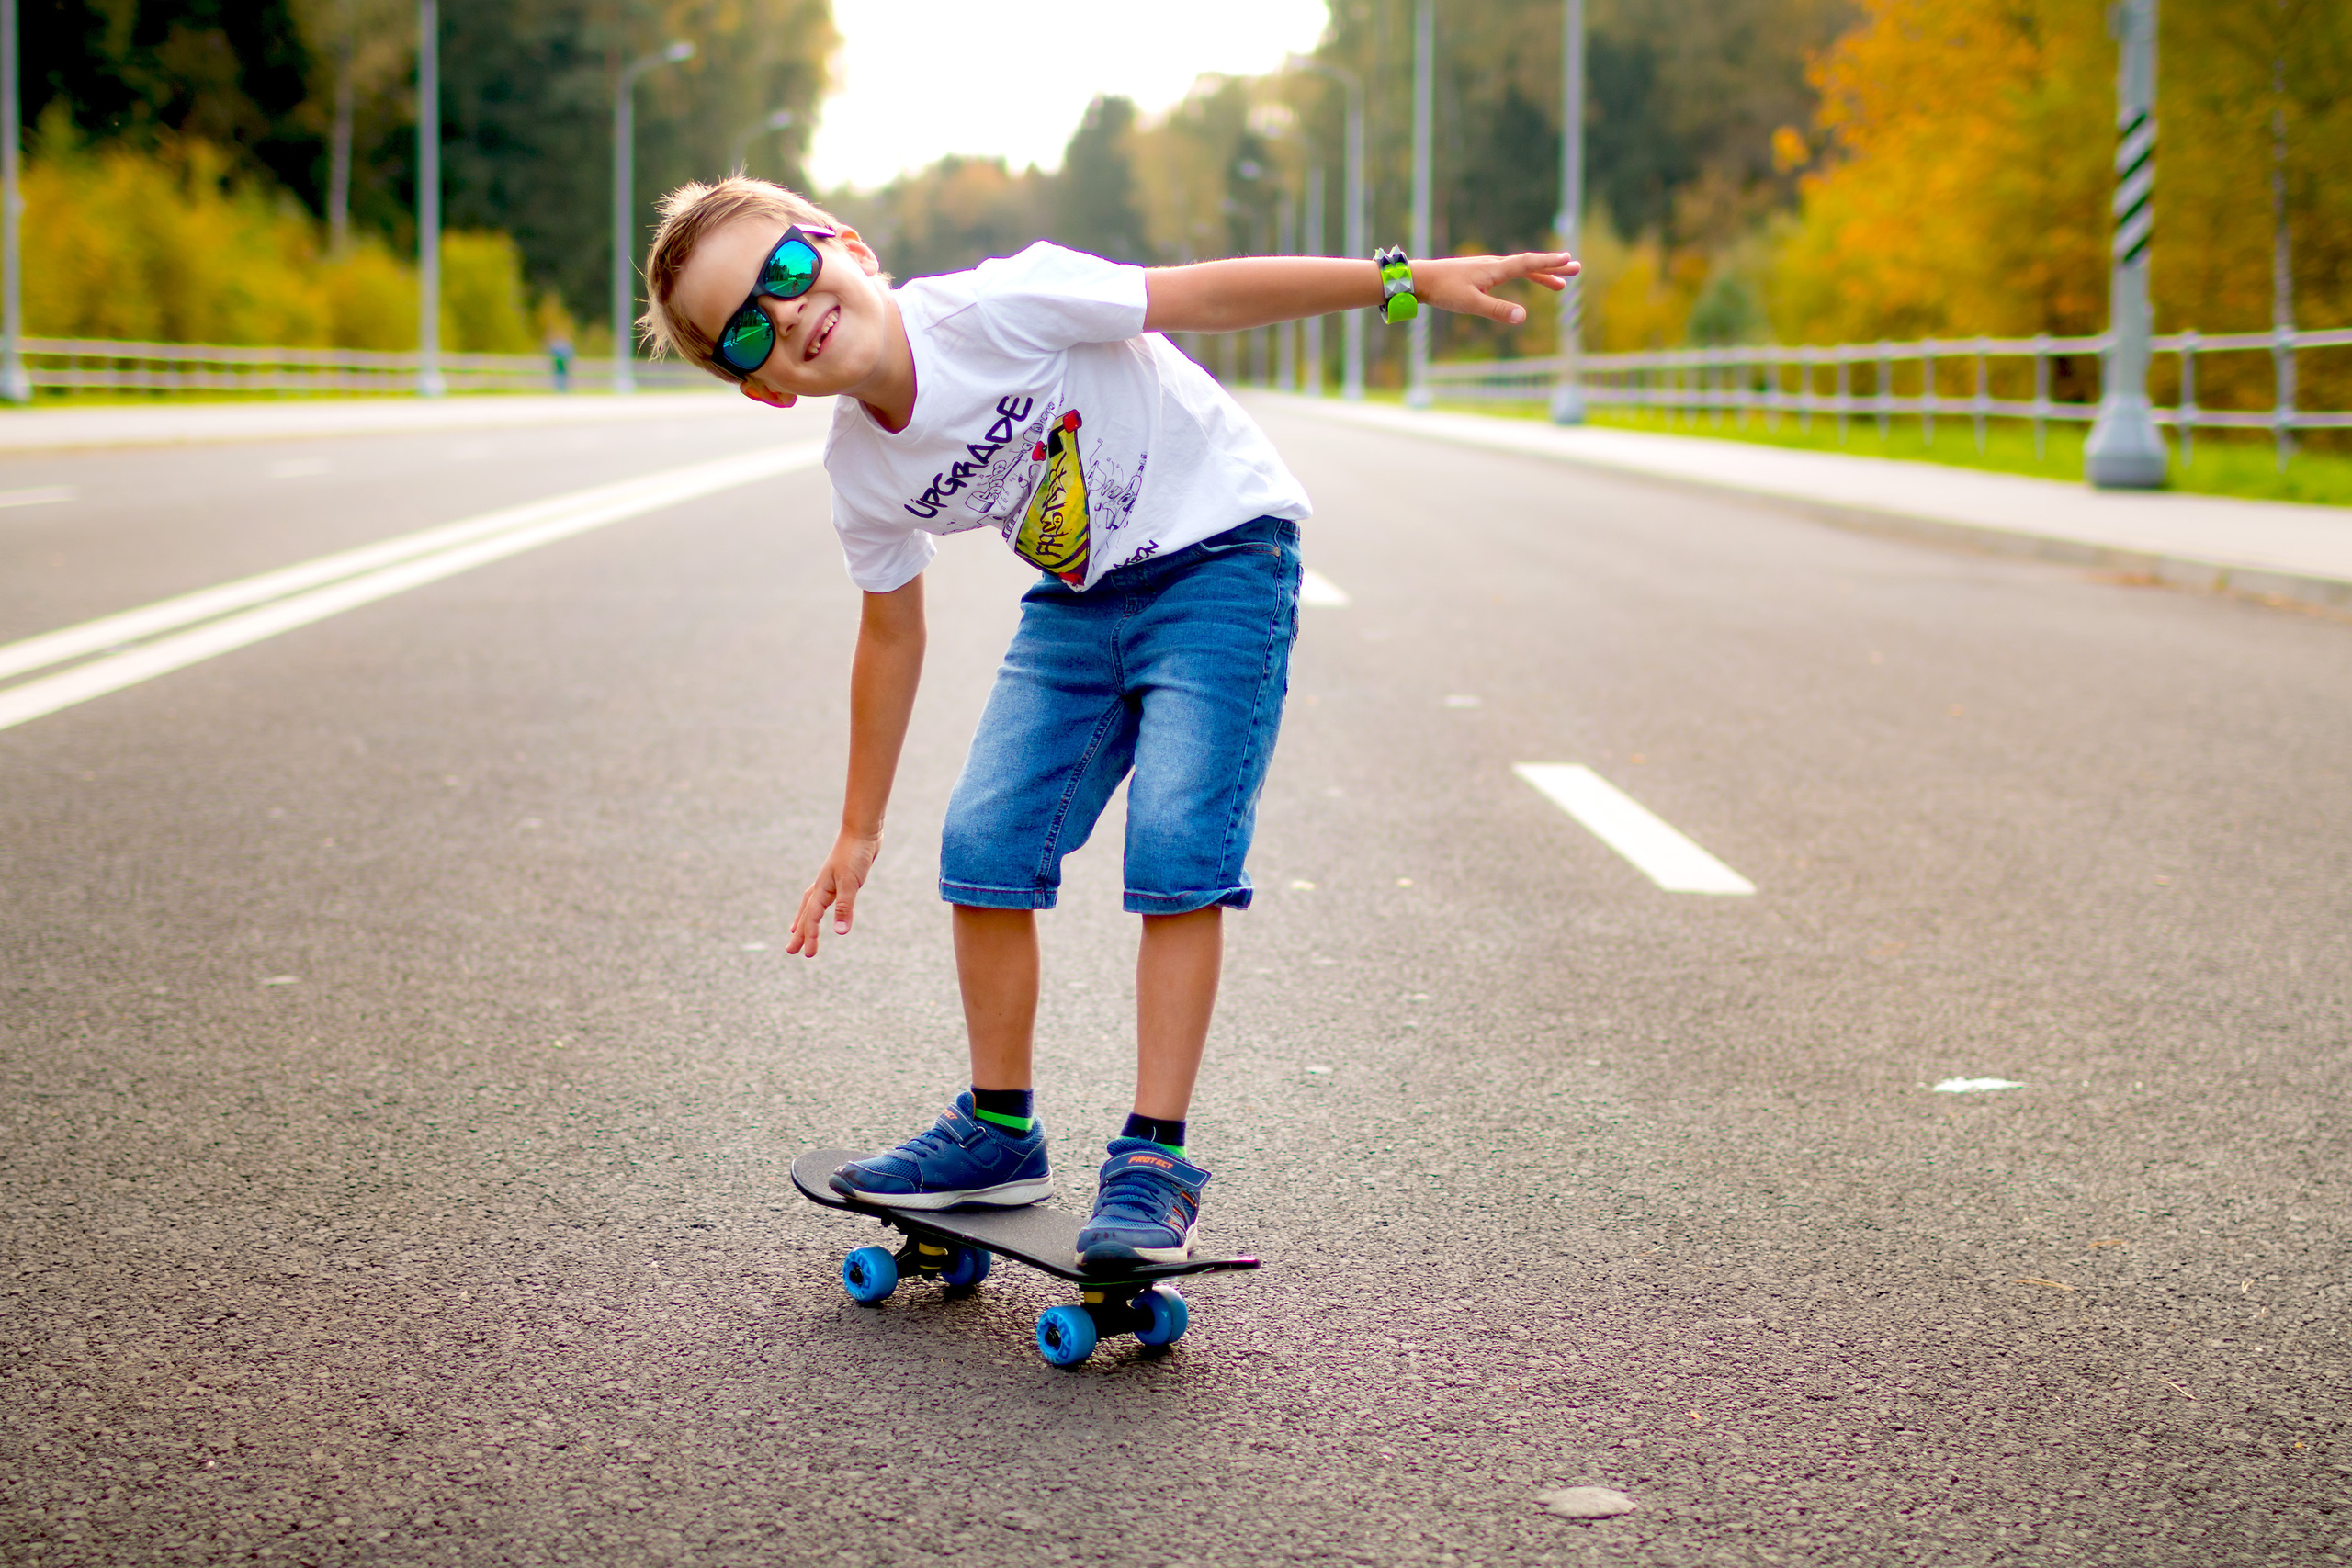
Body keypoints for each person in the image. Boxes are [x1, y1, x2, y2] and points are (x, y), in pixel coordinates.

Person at [639, 175, 1575, 1266]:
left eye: (788, 270)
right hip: (1081, 600)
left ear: (845, 244)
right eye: (748, 328)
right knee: (984, 842)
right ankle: (998, 1132)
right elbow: (890, 634)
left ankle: (1153, 1161)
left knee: (1177, 844)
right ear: (761, 387)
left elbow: (1203, 296)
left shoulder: (1003, 306)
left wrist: (1399, 281)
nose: (787, 311)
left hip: (1223, 558)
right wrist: (857, 828)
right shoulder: (861, 466)